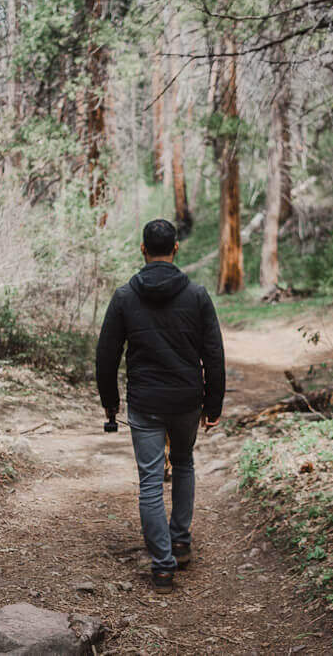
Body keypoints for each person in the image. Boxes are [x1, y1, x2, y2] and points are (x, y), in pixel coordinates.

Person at [96, 218, 225, 594]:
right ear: (176, 249)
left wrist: (110, 405)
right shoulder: (197, 295)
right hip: (187, 400)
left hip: (145, 402)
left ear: (142, 249)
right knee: (183, 462)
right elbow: (214, 354)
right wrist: (212, 403)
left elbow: (107, 356)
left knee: (150, 481)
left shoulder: (124, 297)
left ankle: (163, 567)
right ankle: (180, 543)